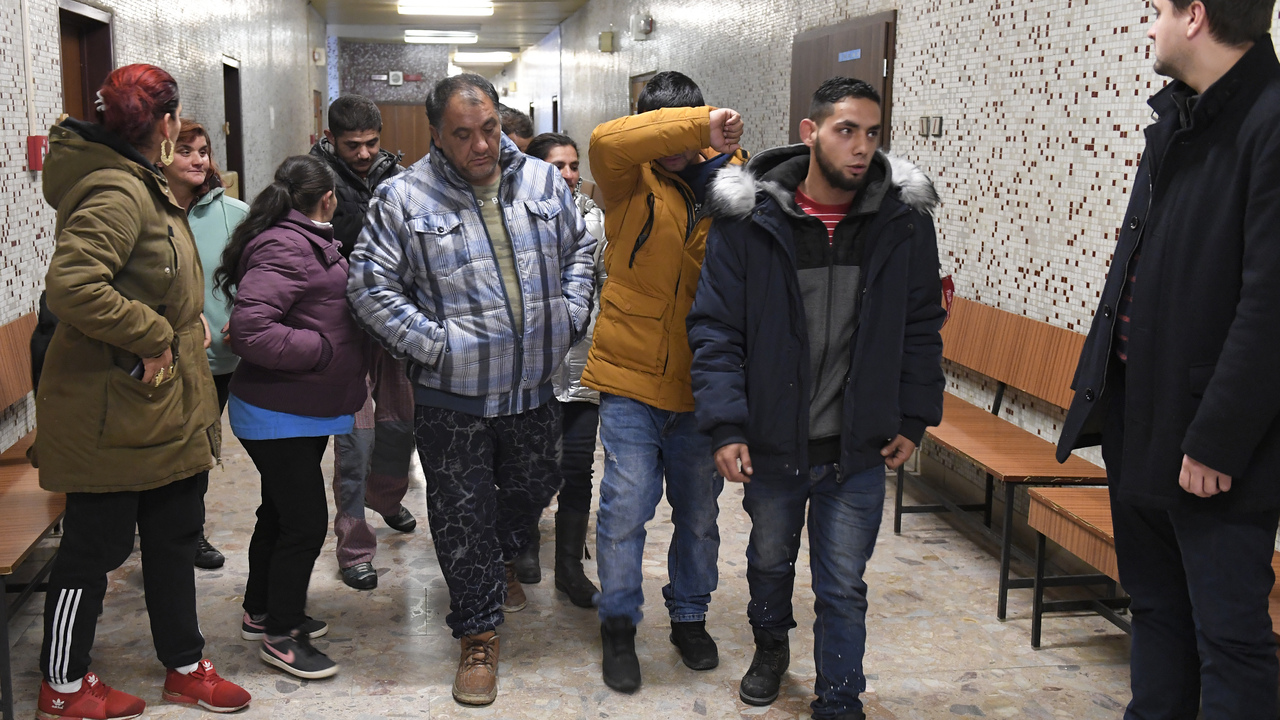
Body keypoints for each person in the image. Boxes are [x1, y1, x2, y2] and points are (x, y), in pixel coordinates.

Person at [689, 76, 945, 720]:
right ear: (811, 133)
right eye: (845, 130)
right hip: (775, 438)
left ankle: (839, 697)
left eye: (872, 133)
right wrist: (726, 425)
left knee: (843, 584)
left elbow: (921, 326)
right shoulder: (749, 220)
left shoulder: (903, 224)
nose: (861, 147)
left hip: (858, 445)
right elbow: (716, 330)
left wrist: (915, 414)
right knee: (770, 561)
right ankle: (770, 647)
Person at [1056, 2, 1280, 717]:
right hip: (1142, 417)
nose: (1149, 26)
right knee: (1155, 611)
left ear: (1196, 16)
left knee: (1228, 639)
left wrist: (1218, 439)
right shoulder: (1179, 119)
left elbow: (1270, 306)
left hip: (1214, 448)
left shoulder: (1269, 123)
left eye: (1157, 10)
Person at [348, 74, 596, 706]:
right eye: (463, 135)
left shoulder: (542, 182)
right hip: (452, 397)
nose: (481, 145)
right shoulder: (403, 198)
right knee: (463, 517)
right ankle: (478, 635)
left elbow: (579, 254)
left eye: (489, 128)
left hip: (533, 389)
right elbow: (370, 288)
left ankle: (503, 559)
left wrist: (569, 315)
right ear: (436, 134)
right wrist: (437, 346)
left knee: (533, 489)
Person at [35, 63, 250, 719]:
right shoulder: (116, 190)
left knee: (173, 537)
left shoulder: (142, 181)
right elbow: (74, 287)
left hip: (161, 406)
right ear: (166, 124)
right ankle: (62, 684)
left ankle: (183, 666)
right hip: (112, 411)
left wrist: (185, 320)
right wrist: (155, 334)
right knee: (93, 550)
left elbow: (151, 275)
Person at [582, 70, 746, 692]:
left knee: (699, 515)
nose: (675, 147)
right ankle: (618, 625)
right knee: (625, 507)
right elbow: (607, 140)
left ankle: (689, 617)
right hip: (631, 380)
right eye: (666, 130)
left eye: (689, 132)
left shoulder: (734, 184)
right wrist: (696, 126)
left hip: (704, 383)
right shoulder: (627, 178)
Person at [215, 155, 369, 680]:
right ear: (327, 198)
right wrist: (323, 350)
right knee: (303, 523)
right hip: (279, 408)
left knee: (279, 513)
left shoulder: (305, 239)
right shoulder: (287, 245)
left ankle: (261, 610)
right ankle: (281, 636)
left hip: (300, 405)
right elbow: (251, 329)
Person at [310, 94, 417, 591]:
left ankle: (386, 498)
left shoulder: (399, 177)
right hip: (343, 327)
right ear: (330, 139)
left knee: (400, 425)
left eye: (371, 143)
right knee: (355, 442)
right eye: (352, 145)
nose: (364, 153)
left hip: (395, 322)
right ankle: (354, 546)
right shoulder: (310, 182)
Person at [159, 118, 249, 571]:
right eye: (185, 150)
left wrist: (246, 315)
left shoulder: (236, 213)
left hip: (219, 359)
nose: (198, 160)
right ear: (161, 154)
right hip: (160, 356)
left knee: (199, 452)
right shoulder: (145, 211)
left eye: (203, 151)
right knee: (170, 450)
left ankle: (189, 534)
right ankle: (168, 533)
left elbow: (257, 276)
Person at [523, 132, 607, 606]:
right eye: (558, 166)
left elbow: (607, 286)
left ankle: (570, 567)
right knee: (529, 465)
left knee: (577, 467)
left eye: (574, 165)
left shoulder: (595, 220)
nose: (570, 175)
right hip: (530, 370)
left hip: (582, 366)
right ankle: (524, 544)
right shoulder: (513, 217)